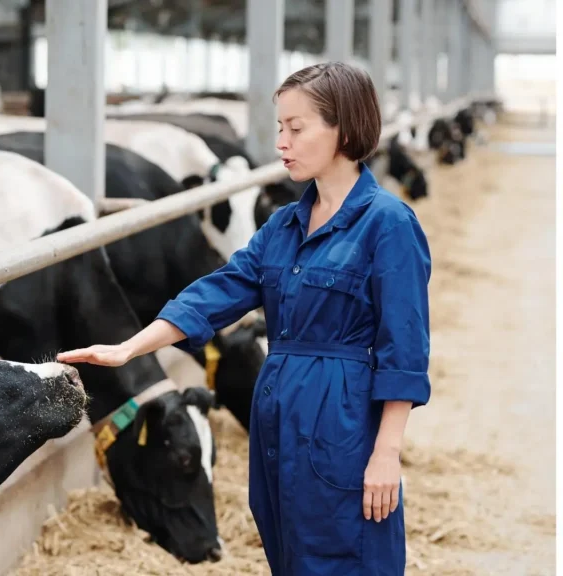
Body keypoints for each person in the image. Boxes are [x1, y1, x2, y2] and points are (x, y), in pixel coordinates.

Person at [57, 61, 431, 575]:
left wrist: (386, 453)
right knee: (289, 554)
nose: (282, 142)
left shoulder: (388, 224)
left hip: (341, 421)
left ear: (343, 128)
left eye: (296, 129)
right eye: (280, 128)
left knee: (347, 555)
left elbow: (404, 350)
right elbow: (217, 293)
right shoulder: (283, 225)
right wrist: (129, 348)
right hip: (275, 420)